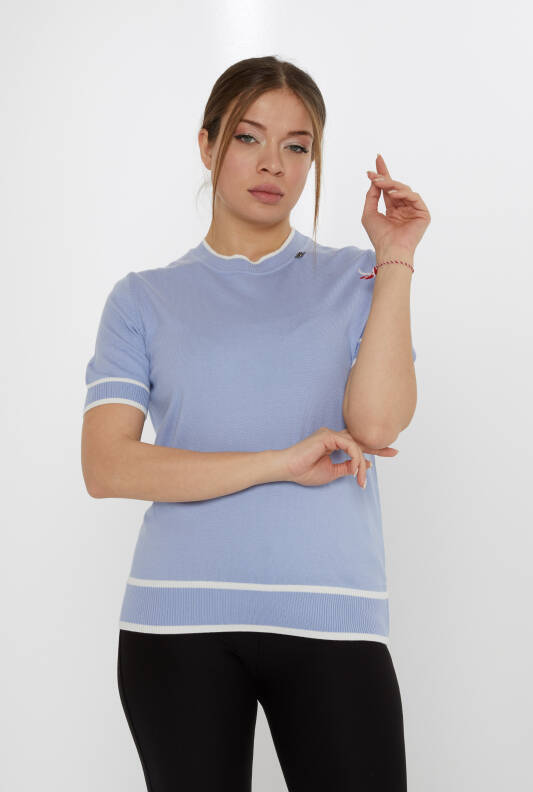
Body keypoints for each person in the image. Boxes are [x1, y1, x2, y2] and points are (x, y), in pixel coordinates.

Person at [81, 55, 430, 792]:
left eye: (297, 146)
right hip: (176, 623)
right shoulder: (143, 299)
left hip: (331, 615)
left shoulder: (357, 278)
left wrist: (395, 256)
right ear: (207, 144)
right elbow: (107, 466)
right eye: (248, 137)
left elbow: (375, 424)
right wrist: (278, 462)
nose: (274, 163)